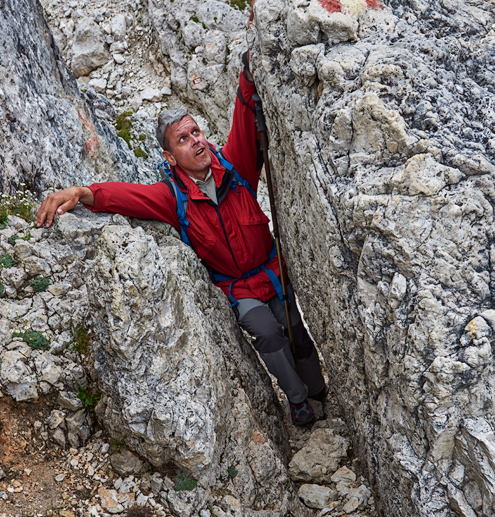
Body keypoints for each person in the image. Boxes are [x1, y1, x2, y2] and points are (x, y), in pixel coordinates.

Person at [35, 60, 327, 425]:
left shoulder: (235, 167)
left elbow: (243, 117)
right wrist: (82, 192)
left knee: (295, 331)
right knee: (268, 335)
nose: (196, 141)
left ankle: (317, 392)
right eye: (184, 139)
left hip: (271, 268)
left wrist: (247, 74)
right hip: (238, 289)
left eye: (197, 132)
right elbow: (128, 196)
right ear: (170, 157)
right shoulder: (174, 198)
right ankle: (298, 400)